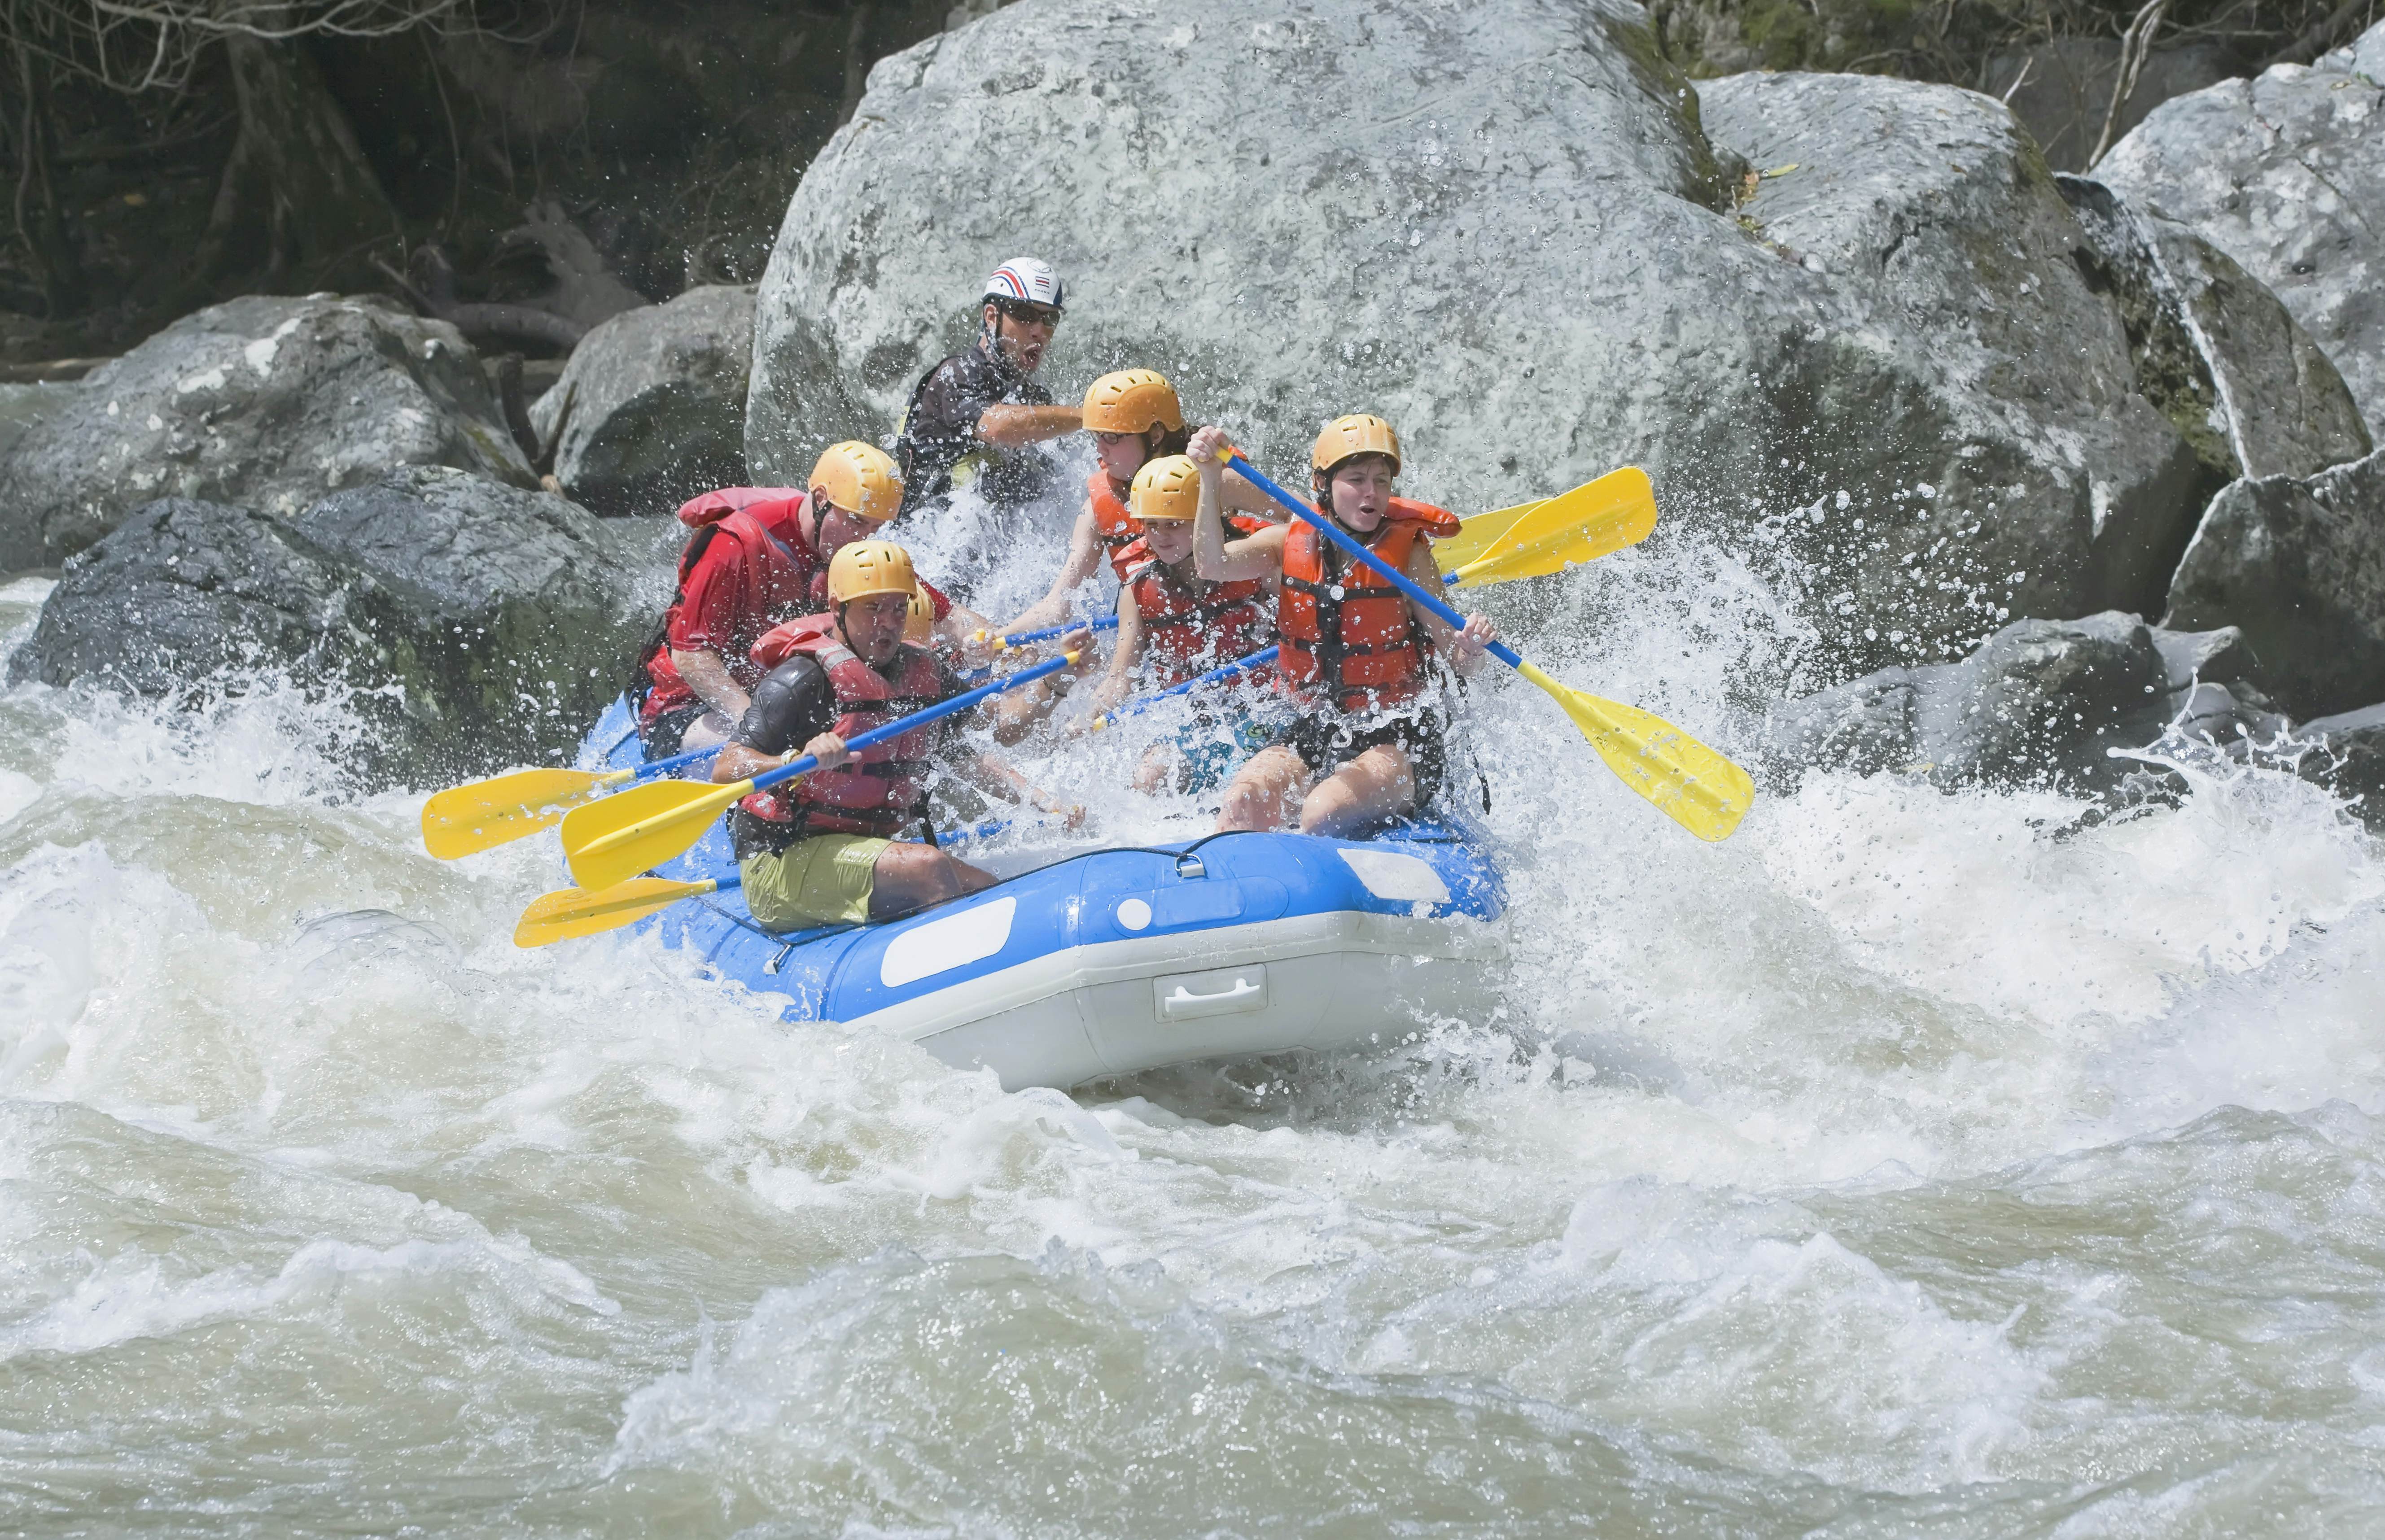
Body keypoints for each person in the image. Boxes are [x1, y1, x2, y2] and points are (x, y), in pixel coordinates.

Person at [715, 541, 1086, 932]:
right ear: (838, 608)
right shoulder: (801, 680)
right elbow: (725, 769)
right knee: (929, 867)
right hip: (782, 861)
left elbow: (1001, 731)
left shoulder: (923, 673)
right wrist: (792, 762)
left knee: (983, 886)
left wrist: (1057, 682)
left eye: (897, 608)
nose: (888, 622)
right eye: (872, 608)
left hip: (862, 849)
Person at [1187, 416, 1498, 836]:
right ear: (1322, 482)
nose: (1372, 492)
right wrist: (1209, 479)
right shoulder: (1286, 542)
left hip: (1398, 737)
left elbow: (1459, 663)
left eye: (1382, 481)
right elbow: (1212, 564)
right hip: (1316, 727)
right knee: (1243, 802)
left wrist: (1471, 646)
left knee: (1321, 812)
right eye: (1356, 479)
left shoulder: (1410, 558)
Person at [630, 444, 989, 759]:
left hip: (792, 700)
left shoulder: (852, 555)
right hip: (692, 711)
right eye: (856, 522)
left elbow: (949, 616)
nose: (862, 539)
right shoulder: (733, 545)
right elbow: (692, 658)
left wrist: (986, 641)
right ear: (820, 500)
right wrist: (761, 727)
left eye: (875, 529)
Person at [1001, 368, 1278, 637]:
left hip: (1242, 627)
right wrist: (999, 638)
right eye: (1097, 436)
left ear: (1155, 435)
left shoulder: (1212, 477)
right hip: (1160, 639)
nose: (1100, 449)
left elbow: (1298, 524)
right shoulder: (1097, 510)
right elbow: (1058, 605)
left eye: (1112, 437)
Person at [1086, 455, 1278, 795]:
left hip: (1257, 714)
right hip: (1190, 723)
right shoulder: (1138, 588)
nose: (1161, 536)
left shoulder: (1252, 565)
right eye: (1152, 525)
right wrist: (1087, 720)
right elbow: (1120, 677)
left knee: (1241, 785)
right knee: (1148, 777)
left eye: (1174, 523)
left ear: (1205, 520)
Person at [892, 259, 1085, 522]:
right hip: (924, 535)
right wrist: (1088, 417)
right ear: (992, 317)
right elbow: (997, 427)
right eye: (1025, 315)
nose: (1040, 331)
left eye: (1050, 318)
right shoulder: (957, 374)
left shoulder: (1035, 400)